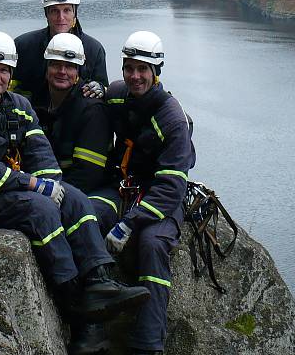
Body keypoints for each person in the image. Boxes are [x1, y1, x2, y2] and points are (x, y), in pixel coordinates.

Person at [0, 31, 149, 350]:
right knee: (43, 209)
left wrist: (51, 183)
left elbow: (39, 150)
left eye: (4, 70)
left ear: (12, 74)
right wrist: (34, 184)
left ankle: (99, 279)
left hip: (16, 191)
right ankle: (76, 301)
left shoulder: (18, 105)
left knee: (72, 198)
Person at [90, 31, 196, 355]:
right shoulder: (119, 95)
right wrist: (91, 90)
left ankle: (147, 344)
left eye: (142, 69)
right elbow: (97, 110)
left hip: (159, 197)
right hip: (123, 186)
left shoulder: (172, 118)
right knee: (89, 216)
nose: (135, 76)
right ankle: (91, 317)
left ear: (156, 71)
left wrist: (131, 222)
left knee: (152, 243)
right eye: (129, 67)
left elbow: (171, 187)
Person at [13, 0, 108, 108]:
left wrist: (100, 88)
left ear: (75, 12)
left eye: (67, 10)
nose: (61, 17)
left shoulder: (93, 50)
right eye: (54, 11)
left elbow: (104, 92)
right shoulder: (23, 46)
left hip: (75, 121)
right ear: (46, 14)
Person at [38, 33, 112, 196]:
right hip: (48, 187)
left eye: (69, 66)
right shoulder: (38, 101)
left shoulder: (93, 110)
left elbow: (88, 175)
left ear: (79, 71)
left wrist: (50, 194)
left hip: (89, 194)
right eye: (56, 64)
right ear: (46, 67)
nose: (62, 71)